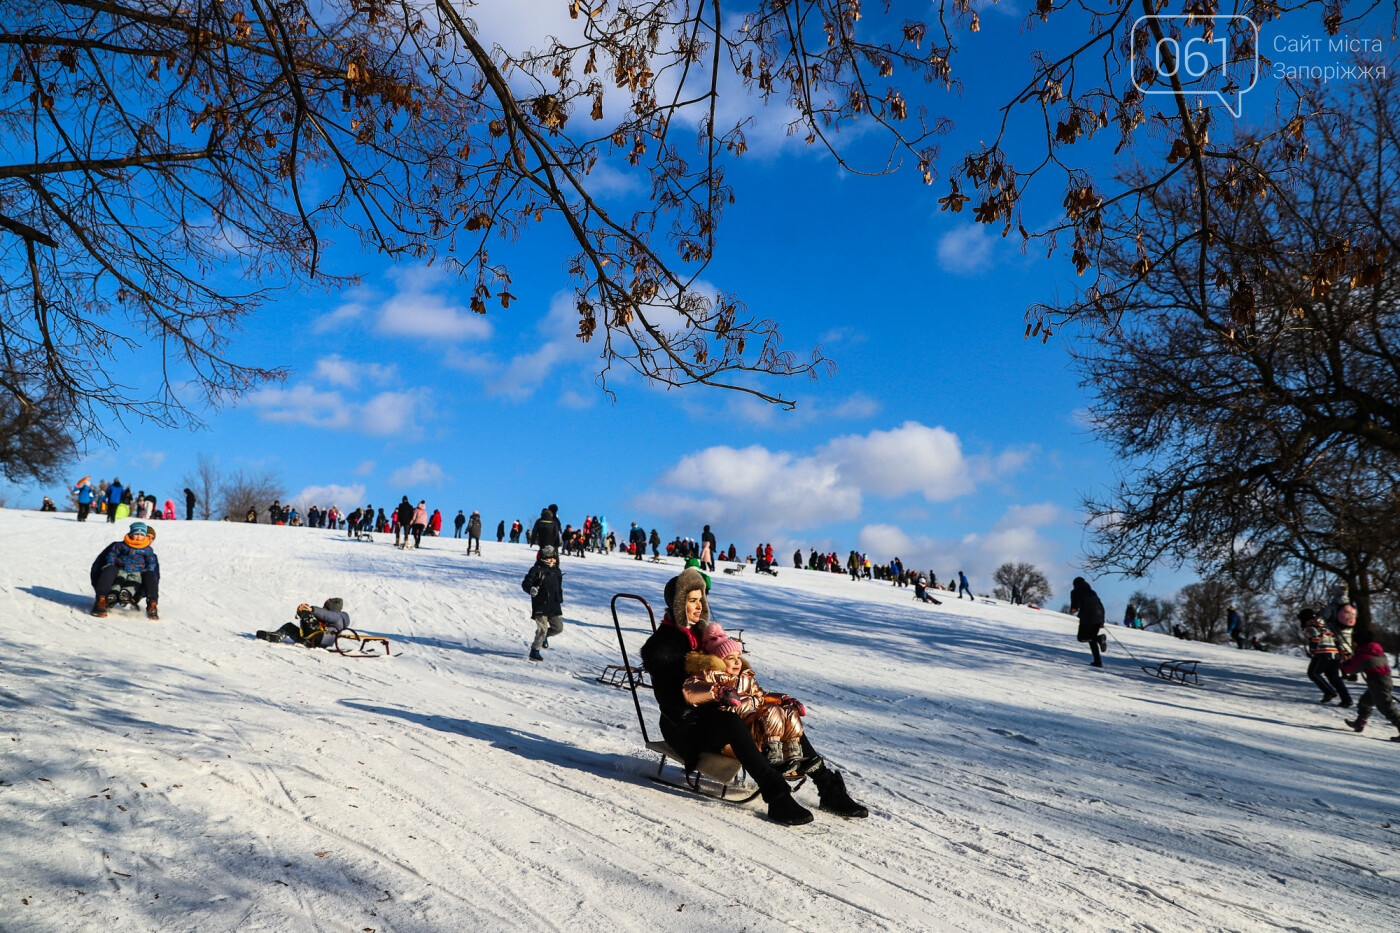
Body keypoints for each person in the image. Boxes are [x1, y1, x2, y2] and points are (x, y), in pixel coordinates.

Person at [639, 568, 866, 825]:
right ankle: (776, 793)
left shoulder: (705, 637)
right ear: (679, 603)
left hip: (718, 713)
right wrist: (715, 692)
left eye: (701, 599)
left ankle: (827, 787)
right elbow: (674, 700)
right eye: (692, 600)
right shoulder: (662, 646)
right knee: (730, 720)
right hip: (685, 726)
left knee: (778, 714)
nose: (699, 605)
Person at [684, 626, 807, 769]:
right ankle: (773, 756)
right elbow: (691, 690)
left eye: (738, 657)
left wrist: (784, 699)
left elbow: (761, 696)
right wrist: (719, 691)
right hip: (735, 739)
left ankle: (793, 753)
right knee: (771, 710)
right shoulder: (711, 676)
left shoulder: (746, 679)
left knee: (788, 711)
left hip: (756, 732)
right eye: (731, 658)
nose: (737, 662)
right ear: (718, 661)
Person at [1342, 621, 1400, 741]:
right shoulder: (1377, 651)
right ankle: (1359, 723)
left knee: (1388, 709)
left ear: (1359, 642)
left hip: (1377, 683)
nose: (1353, 644)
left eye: (1354, 642)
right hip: (1384, 681)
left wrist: (1344, 662)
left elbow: (1350, 670)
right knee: (1365, 702)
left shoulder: (1362, 655)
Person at [91, 521, 161, 619]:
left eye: (152, 538)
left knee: (150, 573)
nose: (149, 539)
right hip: (114, 578)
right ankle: (101, 600)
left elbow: (155, 578)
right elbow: (98, 565)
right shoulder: (119, 546)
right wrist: (99, 587)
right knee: (111, 569)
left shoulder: (149, 553)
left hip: (135, 582)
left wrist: (138, 596)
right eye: (147, 536)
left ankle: (152, 605)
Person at [1300, 608, 1351, 706]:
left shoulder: (1310, 627)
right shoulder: (1324, 627)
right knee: (1335, 678)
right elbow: (1336, 641)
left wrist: (1312, 650)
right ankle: (1347, 699)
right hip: (1335, 655)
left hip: (1322, 654)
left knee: (1313, 673)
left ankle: (1329, 692)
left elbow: (1315, 638)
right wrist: (1344, 652)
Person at [522, 545, 564, 661]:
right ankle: (535, 650)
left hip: (554, 605)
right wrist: (531, 589)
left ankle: (545, 636)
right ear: (544, 558)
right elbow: (526, 582)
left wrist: (559, 599)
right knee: (542, 629)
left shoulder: (557, 571)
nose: (553, 560)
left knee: (558, 628)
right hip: (540, 604)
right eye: (550, 558)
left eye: (554, 558)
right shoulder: (536, 570)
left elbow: (558, 588)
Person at [257, 599, 351, 648]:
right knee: (289, 626)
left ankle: (305, 614)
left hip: (320, 638)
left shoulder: (337, 615)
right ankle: (275, 636)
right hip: (312, 640)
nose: (323, 608)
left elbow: (326, 615)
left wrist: (311, 610)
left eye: (325, 607)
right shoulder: (331, 618)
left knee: (308, 615)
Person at [1069, 576, 1107, 667]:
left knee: (1081, 638)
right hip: (1099, 616)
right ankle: (1098, 661)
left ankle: (1099, 638)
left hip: (1087, 617)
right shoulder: (1092, 592)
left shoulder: (1076, 591)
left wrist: (1073, 609)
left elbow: (1075, 605)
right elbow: (1100, 605)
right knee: (1091, 639)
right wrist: (1102, 621)